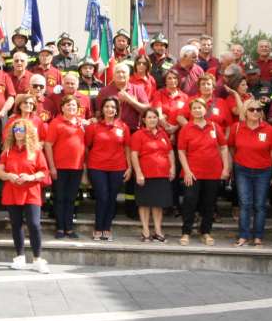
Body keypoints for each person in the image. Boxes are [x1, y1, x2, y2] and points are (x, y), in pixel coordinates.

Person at [0, 120, 51, 272]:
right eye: (16, 129)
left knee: (34, 224)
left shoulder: (36, 151)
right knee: (16, 224)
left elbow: (44, 172)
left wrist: (30, 177)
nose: (18, 132)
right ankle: (20, 257)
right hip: (12, 191)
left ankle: (37, 259)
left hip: (31, 192)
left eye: (21, 129)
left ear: (28, 131)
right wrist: (9, 175)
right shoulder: (7, 151)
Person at [176, 98, 230, 246]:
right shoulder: (186, 128)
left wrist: (226, 167)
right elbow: (181, 151)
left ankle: (205, 232)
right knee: (189, 202)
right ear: (191, 111)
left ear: (205, 110)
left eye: (200, 107)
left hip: (213, 172)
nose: (197, 110)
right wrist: (186, 171)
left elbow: (224, 147)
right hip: (192, 173)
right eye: (194, 108)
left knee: (209, 204)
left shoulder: (214, 126)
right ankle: (186, 232)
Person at [229, 98, 272, 247]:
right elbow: (231, 147)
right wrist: (235, 162)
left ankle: (258, 236)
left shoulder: (269, 129)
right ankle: (243, 236)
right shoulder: (237, 127)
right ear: (245, 111)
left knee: (260, 205)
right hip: (242, 169)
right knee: (245, 203)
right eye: (252, 109)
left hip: (263, 170)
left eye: (259, 109)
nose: (256, 112)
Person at [84, 97, 130, 242]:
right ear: (102, 109)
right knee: (102, 196)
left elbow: (127, 147)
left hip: (118, 167)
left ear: (117, 110)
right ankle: (98, 228)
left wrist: (129, 168)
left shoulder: (123, 127)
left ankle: (107, 228)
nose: (110, 109)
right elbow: (86, 147)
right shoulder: (94, 127)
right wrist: (85, 168)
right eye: (107, 106)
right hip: (97, 167)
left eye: (113, 107)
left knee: (111, 198)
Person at [43, 94, 86, 239]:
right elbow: (48, 145)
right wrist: (52, 167)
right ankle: (60, 227)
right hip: (60, 167)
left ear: (78, 108)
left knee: (71, 198)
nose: (71, 107)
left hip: (77, 167)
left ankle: (69, 228)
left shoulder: (81, 123)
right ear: (62, 107)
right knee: (60, 198)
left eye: (74, 105)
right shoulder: (56, 123)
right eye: (68, 105)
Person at [129, 107, 174, 243]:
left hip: (162, 174)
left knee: (158, 204)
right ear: (144, 120)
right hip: (145, 174)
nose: (152, 120)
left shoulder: (163, 134)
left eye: (154, 117)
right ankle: (146, 231)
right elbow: (134, 155)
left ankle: (158, 231)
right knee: (144, 204)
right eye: (149, 117)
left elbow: (170, 152)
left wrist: (172, 168)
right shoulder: (138, 135)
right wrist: (138, 173)